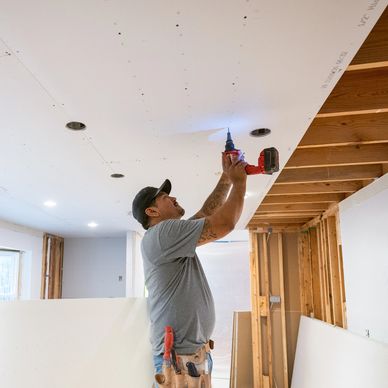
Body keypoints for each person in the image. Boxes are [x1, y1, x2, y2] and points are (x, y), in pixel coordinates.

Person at [131, 153, 247, 387]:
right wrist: (239, 183)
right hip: (180, 361)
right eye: (164, 197)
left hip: (190, 358)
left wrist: (226, 177)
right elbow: (224, 223)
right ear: (152, 212)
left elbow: (206, 214)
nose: (173, 197)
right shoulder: (163, 234)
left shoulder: (171, 237)